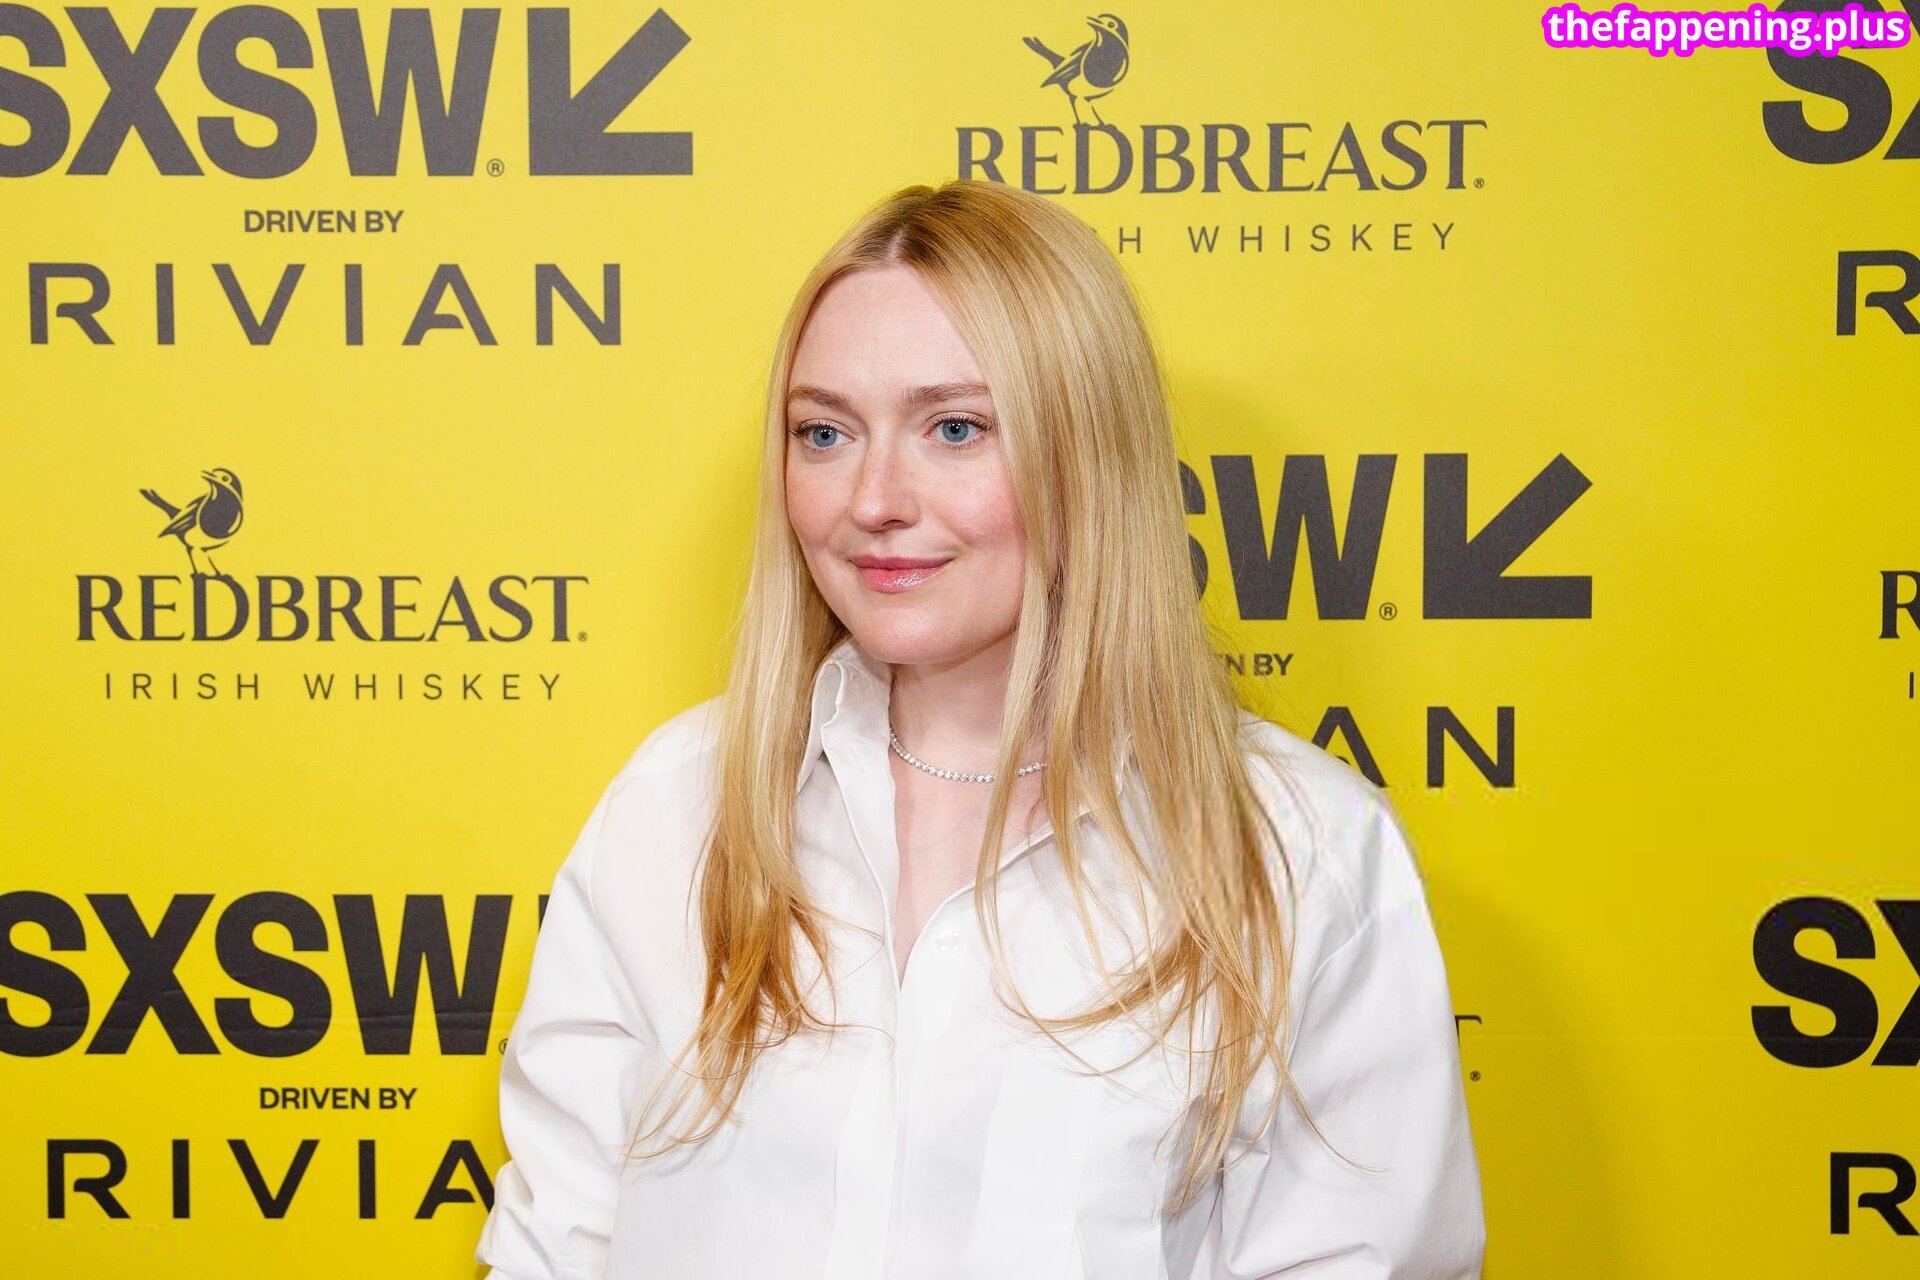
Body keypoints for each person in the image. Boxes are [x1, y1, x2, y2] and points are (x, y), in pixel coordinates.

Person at [476, 178, 1485, 1279]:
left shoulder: (1300, 851)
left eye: (954, 428)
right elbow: (552, 1248)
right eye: (824, 432)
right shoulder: (676, 807)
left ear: (1087, 452)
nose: (874, 498)